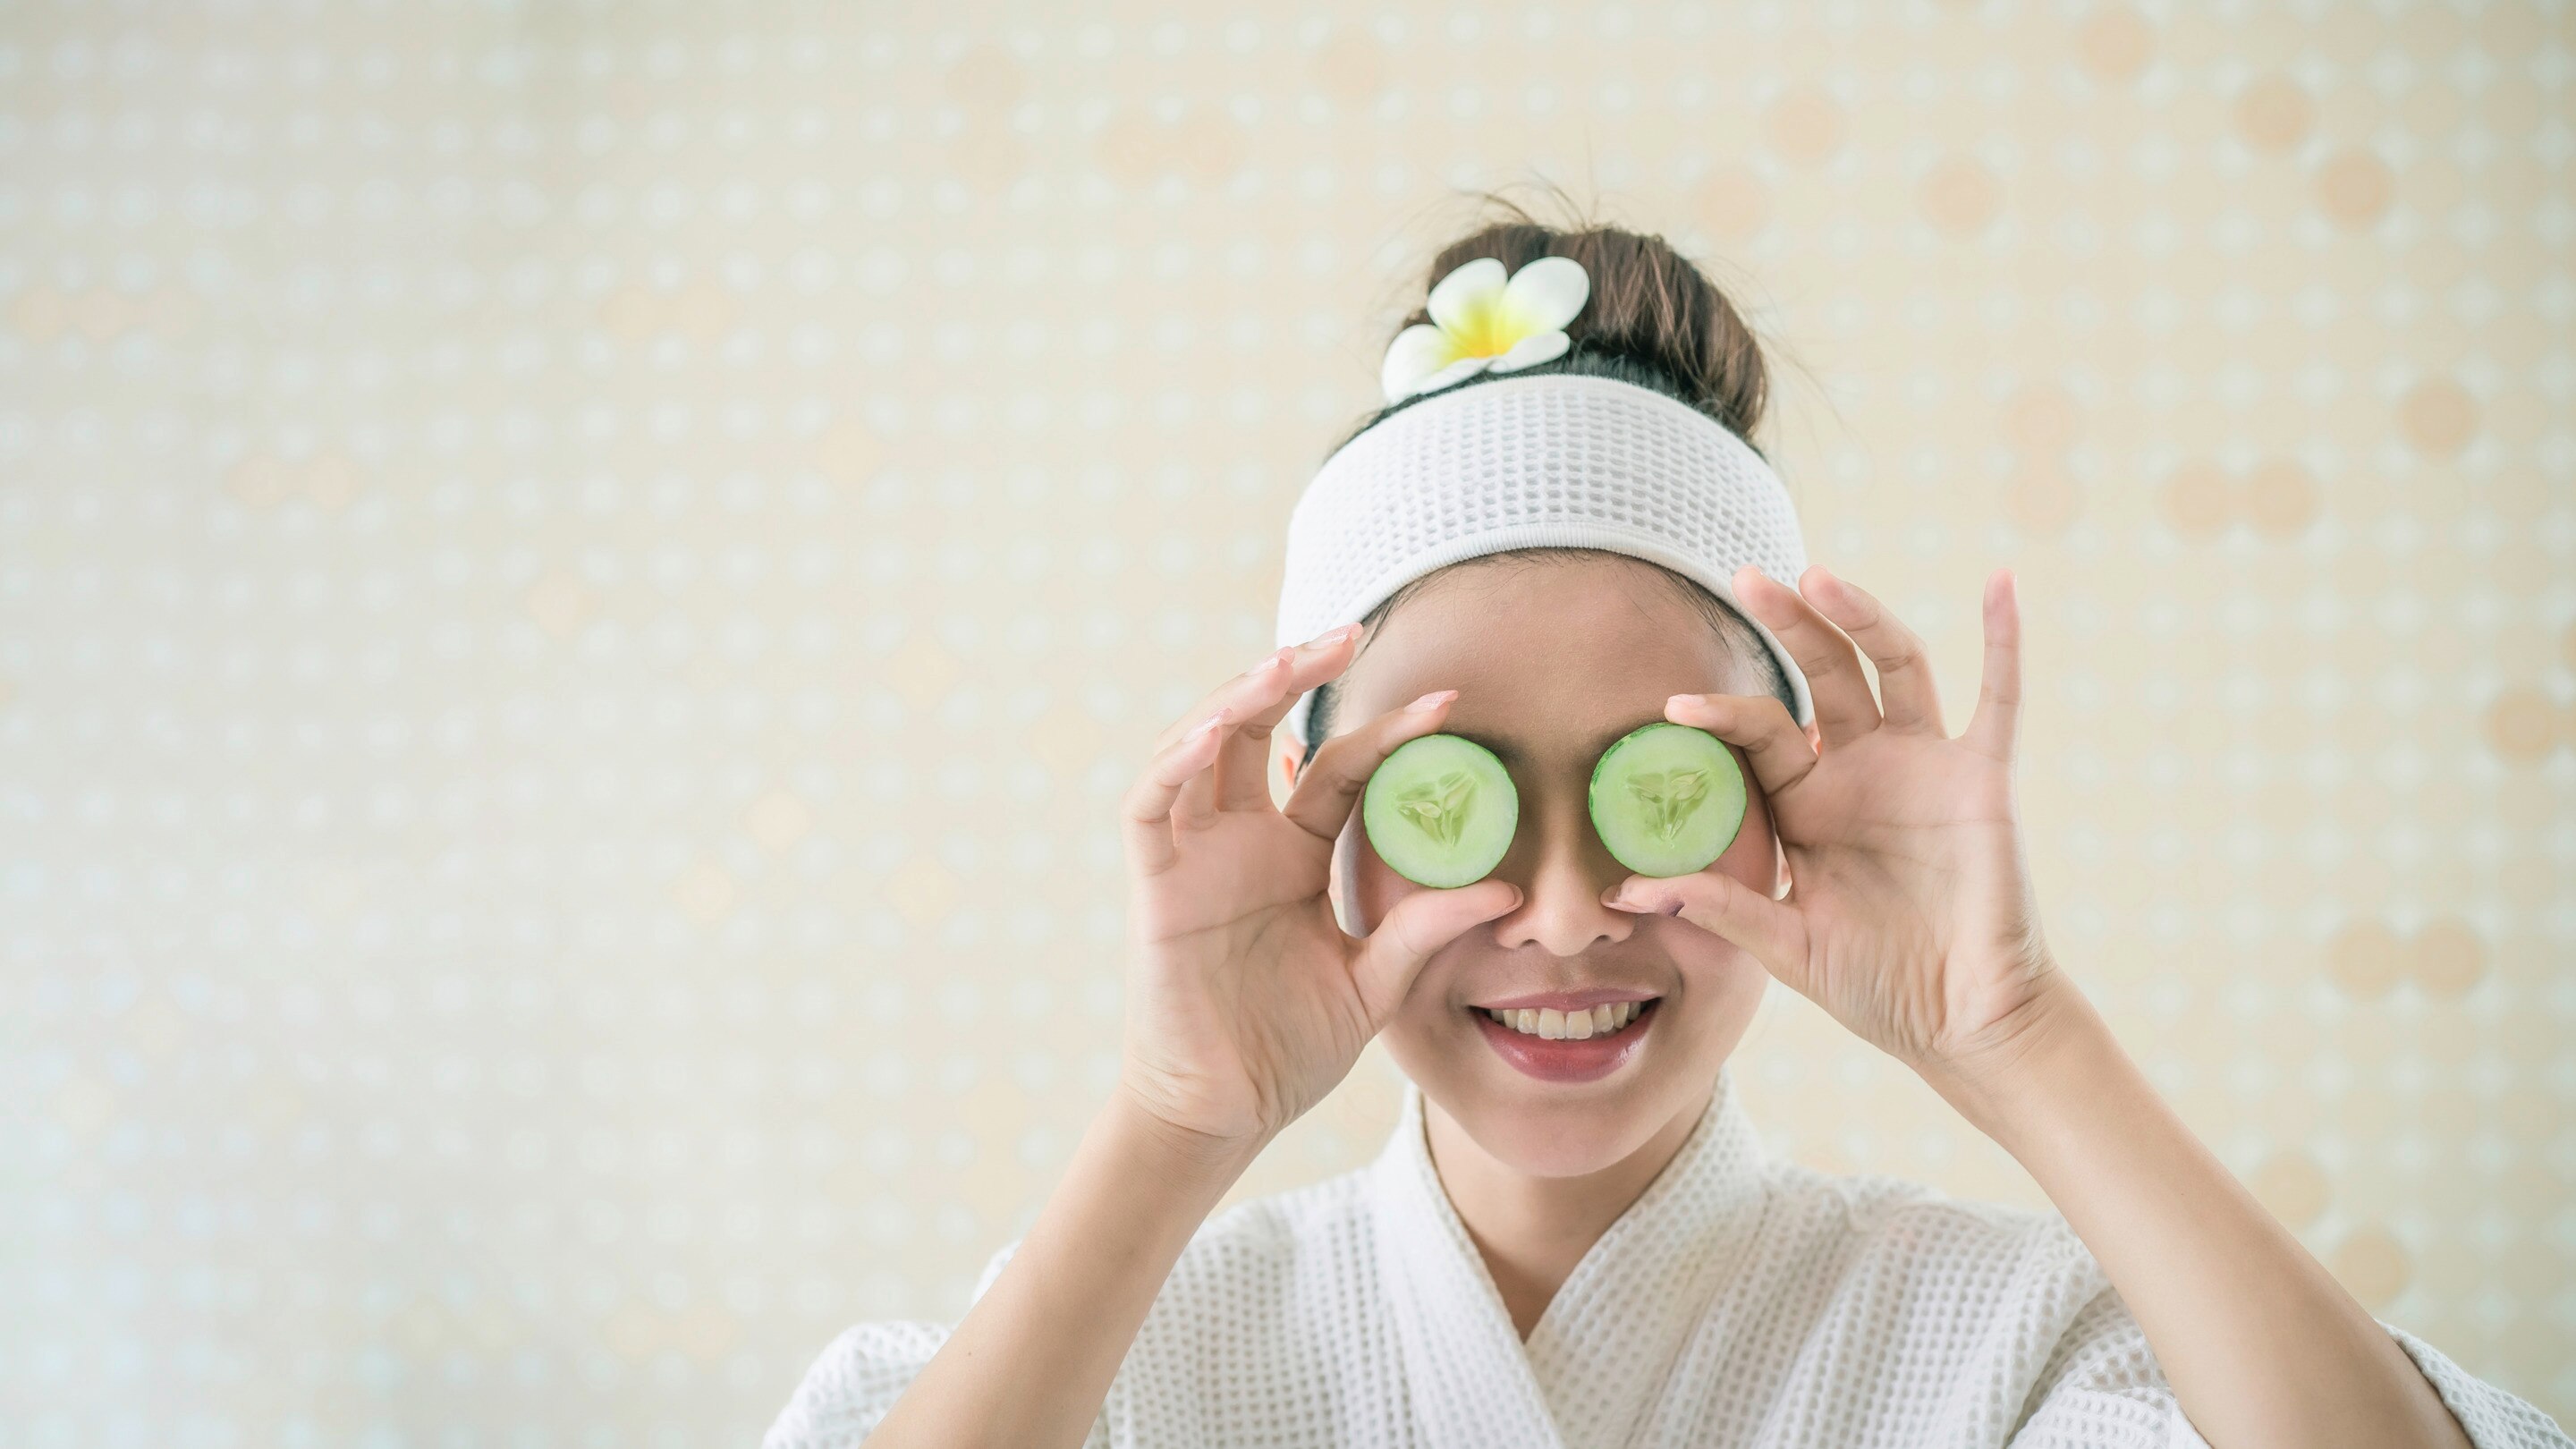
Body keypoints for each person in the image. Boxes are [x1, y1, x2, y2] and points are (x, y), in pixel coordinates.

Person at [764, 199, 2573, 1449]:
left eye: (1656, 787)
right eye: (1451, 798)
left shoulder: (1999, 1346)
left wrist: (2020, 1040)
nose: (1562, 916)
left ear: (1789, 813)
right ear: (1323, 821)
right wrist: (1173, 1122)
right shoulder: (1135, 1349)